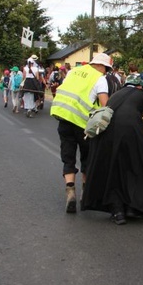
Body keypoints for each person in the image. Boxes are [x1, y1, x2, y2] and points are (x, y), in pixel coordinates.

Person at [82, 75, 143, 224]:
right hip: (131, 133)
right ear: (142, 86)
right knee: (135, 167)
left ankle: (117, 211)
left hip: (106, 135)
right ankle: (133, 207)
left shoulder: (116, 95)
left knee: (114, 169)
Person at [50, 53, 112, 213]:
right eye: (106, 68)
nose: (106, 72)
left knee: (68, 157)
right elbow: (105, 104)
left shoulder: (73, 71)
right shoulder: (100, 79)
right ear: (101, 66)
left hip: (63, 118)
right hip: (83, 124)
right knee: (87, 157)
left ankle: (70, 191)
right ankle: (85, 193)